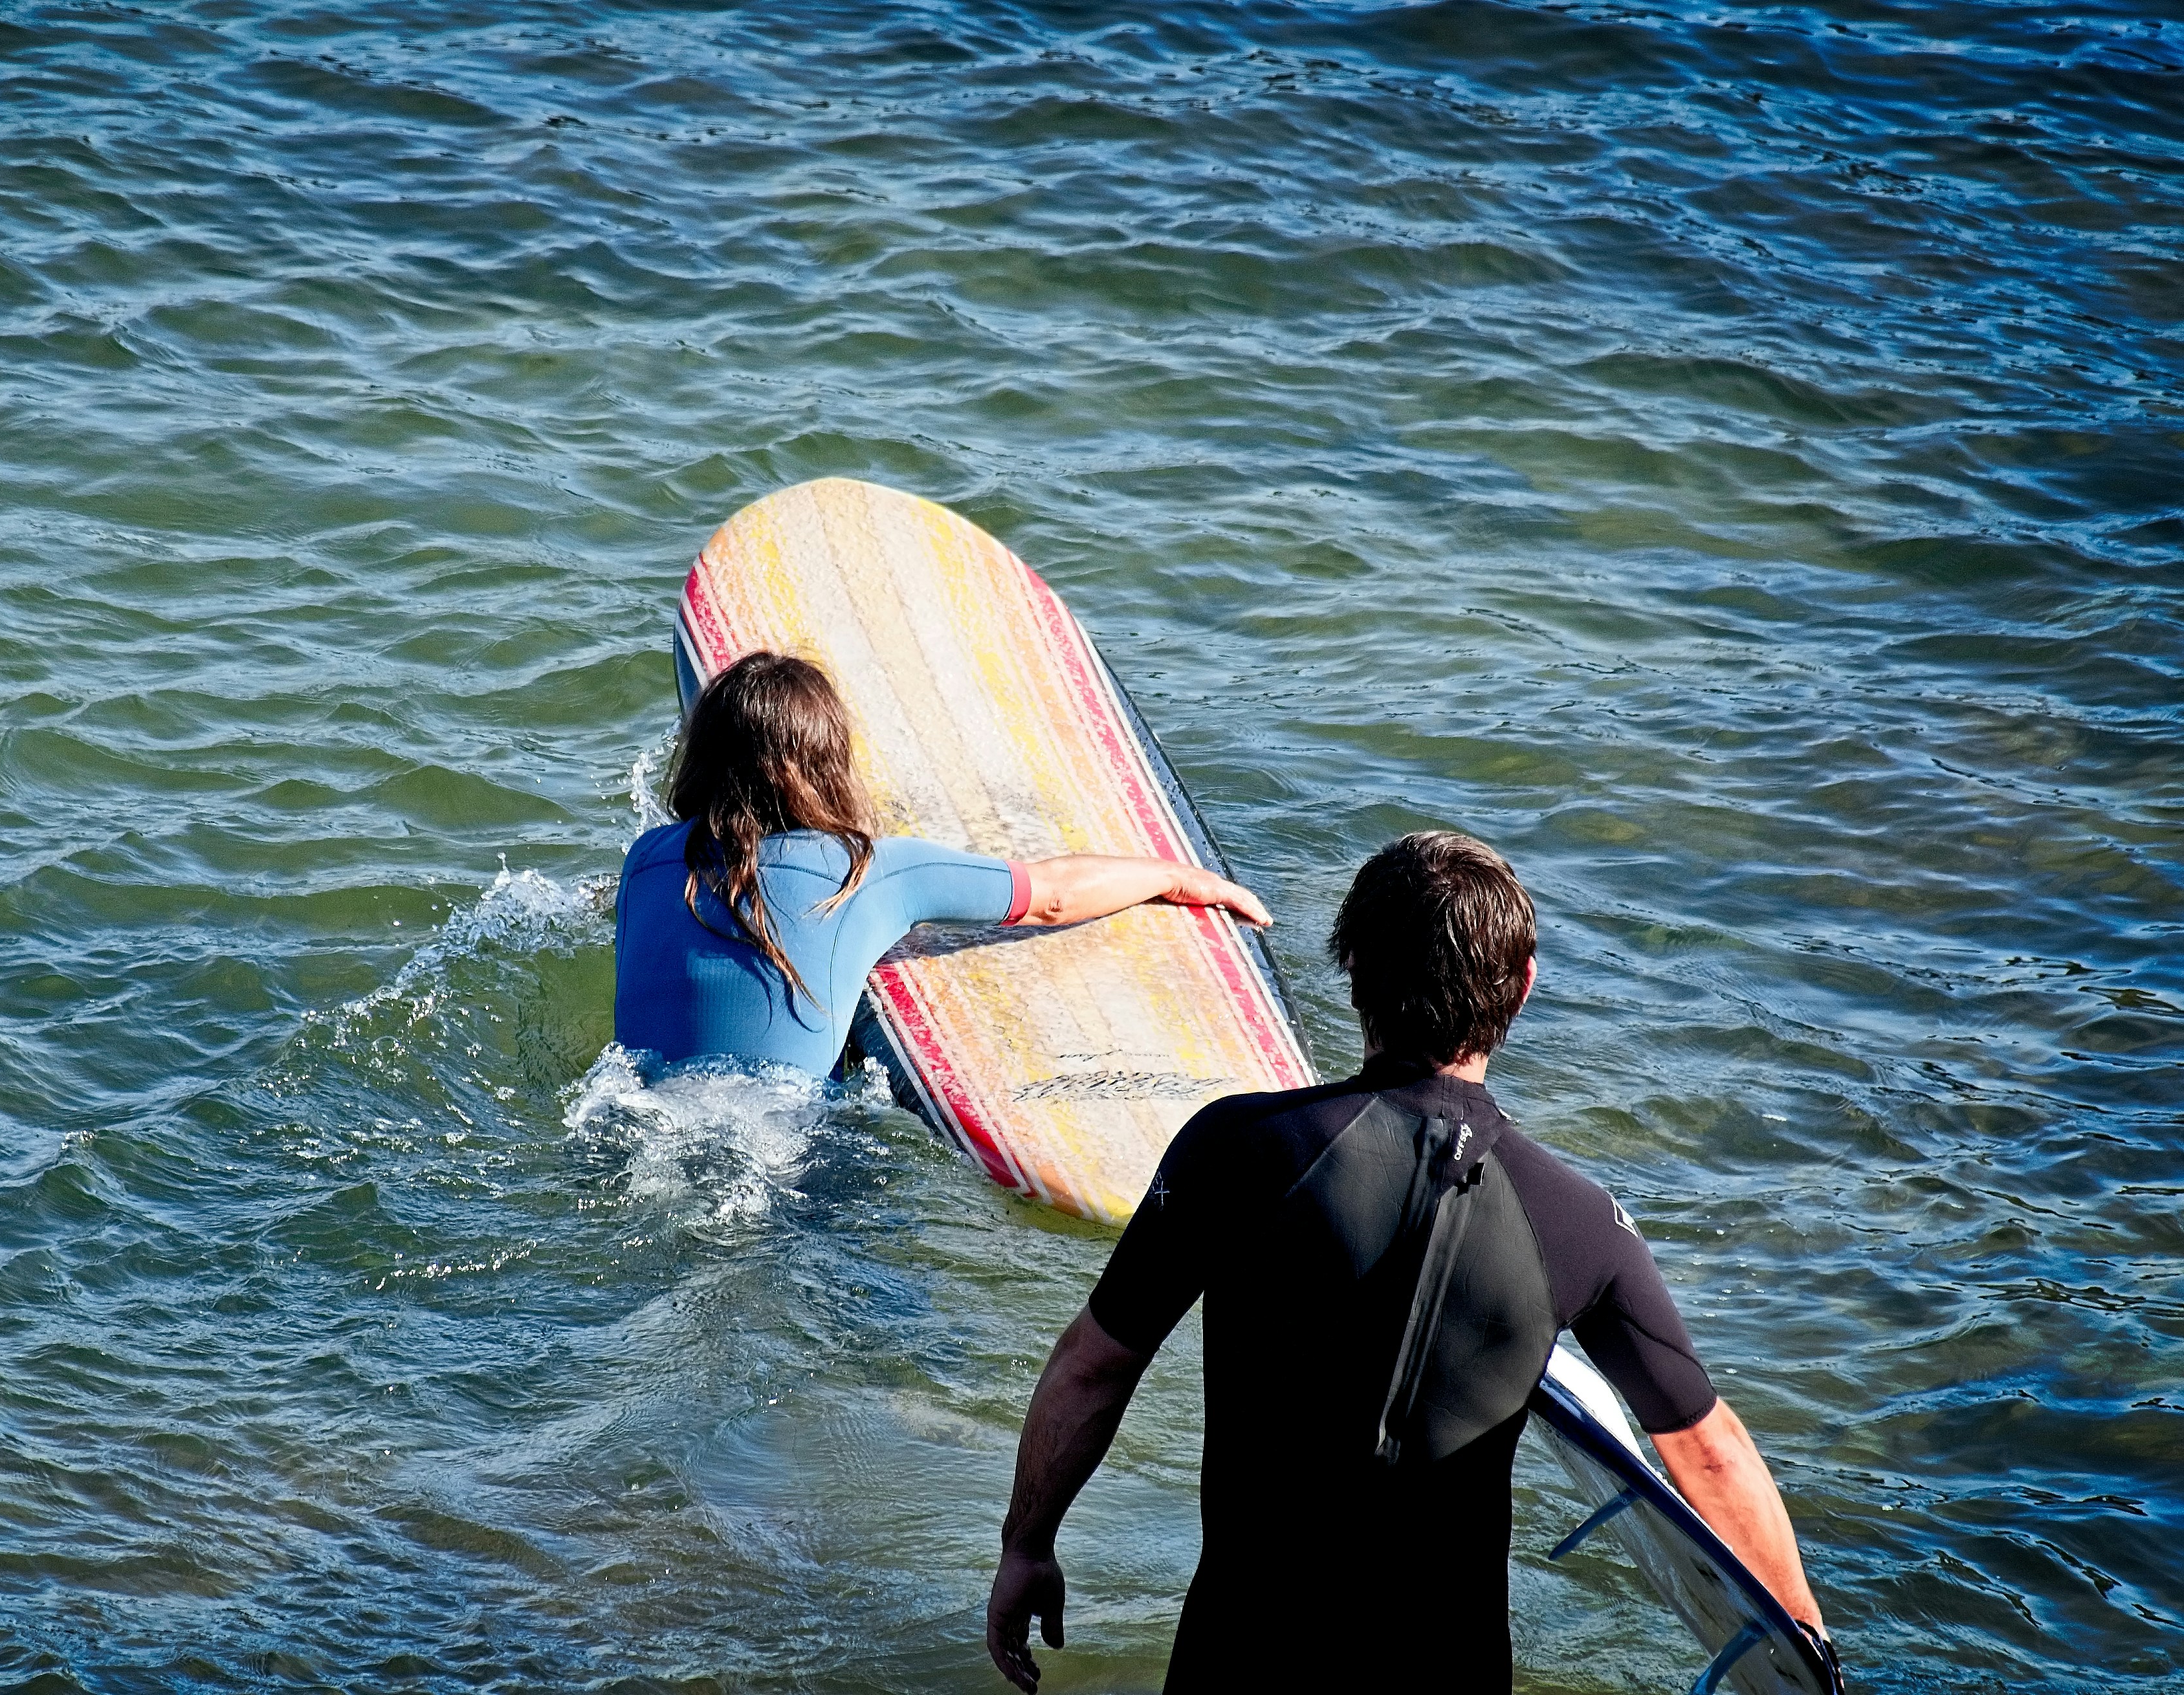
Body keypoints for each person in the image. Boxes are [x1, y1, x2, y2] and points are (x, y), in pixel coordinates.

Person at [984, 831, 1831, 1692]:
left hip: (1240, 1655)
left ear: (1350, 964)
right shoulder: (1583, 1225)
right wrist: (1807, 1645)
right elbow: (1709, 1453)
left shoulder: (1235, 1149)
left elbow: (1094, 1369)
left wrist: (1026, 1546)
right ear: (1525, 986)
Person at [613, 650, 1270, 1078]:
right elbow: (1052, 897)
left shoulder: (644, 862)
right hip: (782, 1147)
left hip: (631, 1121)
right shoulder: (866, 873)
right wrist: (1177, 876)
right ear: (826, 765)